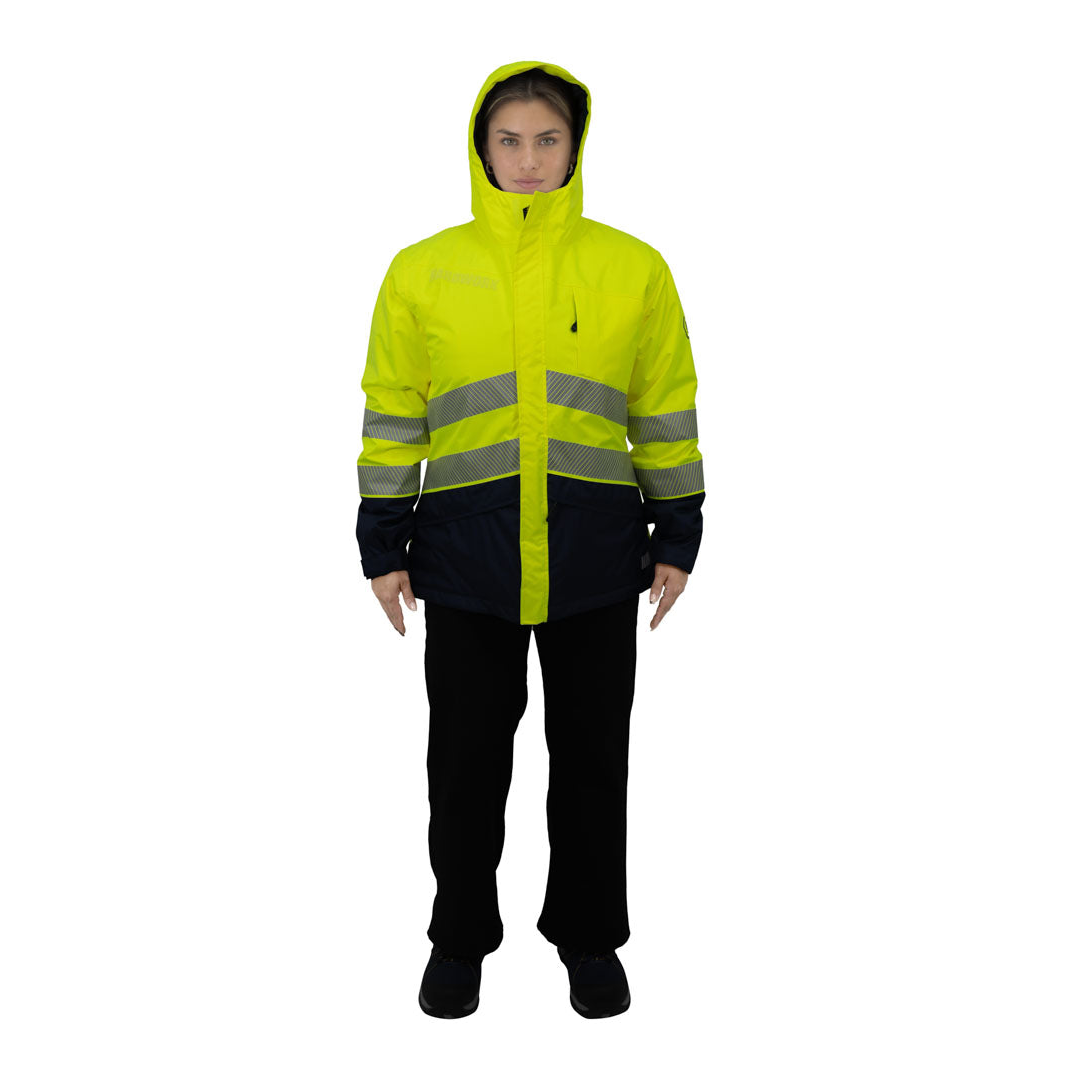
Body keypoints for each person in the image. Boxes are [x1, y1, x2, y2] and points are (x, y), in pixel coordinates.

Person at [355, 59, 704, 1020]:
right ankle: (459, 936)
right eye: (508, 140)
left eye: (548, 139)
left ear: (575, 147)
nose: (529, 159)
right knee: (465, 768)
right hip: (466, 560)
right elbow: (393, 415)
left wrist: (678, 531)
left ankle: (589, 938)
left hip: (597, 559)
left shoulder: (633, 267)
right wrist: (384, 544)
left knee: (592, 762)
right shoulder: (422, 269)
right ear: (481, 148)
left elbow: (664, 409)